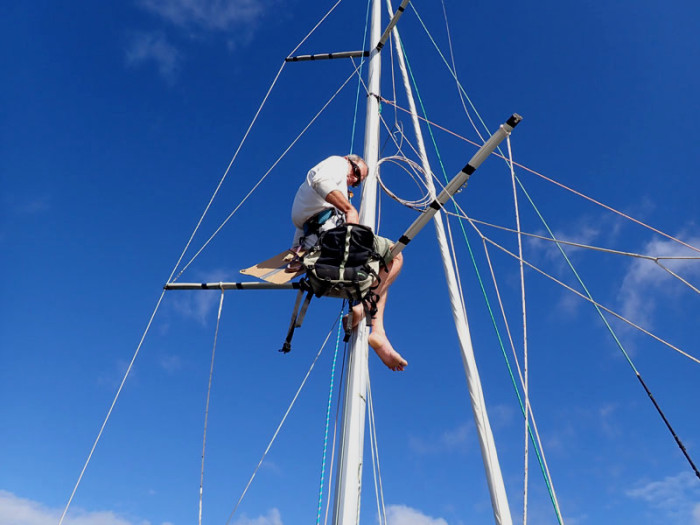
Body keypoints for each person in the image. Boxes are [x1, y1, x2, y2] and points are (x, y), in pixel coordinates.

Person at [289, 154, 408, 372]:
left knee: (380, 273)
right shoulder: (336, 163)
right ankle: (364, 310)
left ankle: (378, 332)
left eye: (359, 181)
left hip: (321, 248)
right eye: (356, 173)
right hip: (333, 244)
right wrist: (349, 209)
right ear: (348, 161)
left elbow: (302, 227)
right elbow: (319, 179)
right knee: (395, 254)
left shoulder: (313, 202)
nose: (354, 180)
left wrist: (296, 255)